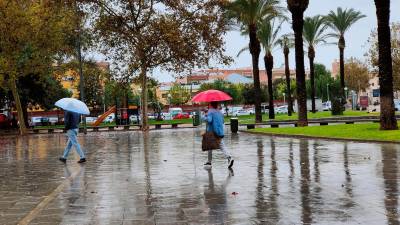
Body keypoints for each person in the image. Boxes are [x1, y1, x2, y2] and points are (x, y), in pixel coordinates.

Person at [202, 101, 234, 168]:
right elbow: (222, 121)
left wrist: (204, 116)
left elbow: (209, 120)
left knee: (209, 146)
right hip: (219, 131)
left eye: (209, 104)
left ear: (210, 104)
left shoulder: (210, 111)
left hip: (212, 132)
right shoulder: (219, 112)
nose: (208, 105)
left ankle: (210, 162)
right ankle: (228, 157)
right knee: (220, 145)